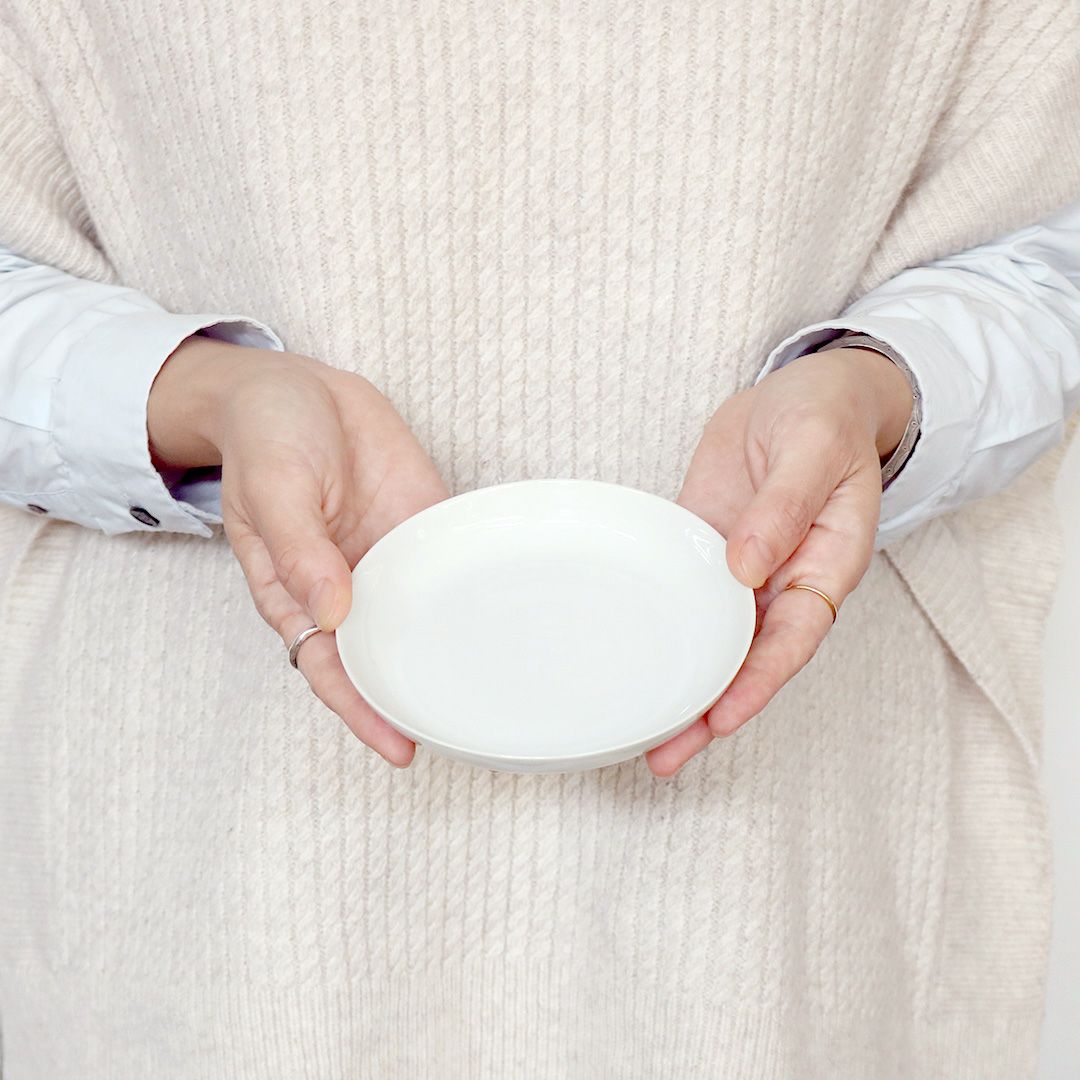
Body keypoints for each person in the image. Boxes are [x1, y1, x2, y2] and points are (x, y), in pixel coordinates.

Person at [0, 2, 1078, 1076]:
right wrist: (211, 399)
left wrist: (877, 391)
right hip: (216, 874)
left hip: (786, 876)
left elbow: (1047, 256)